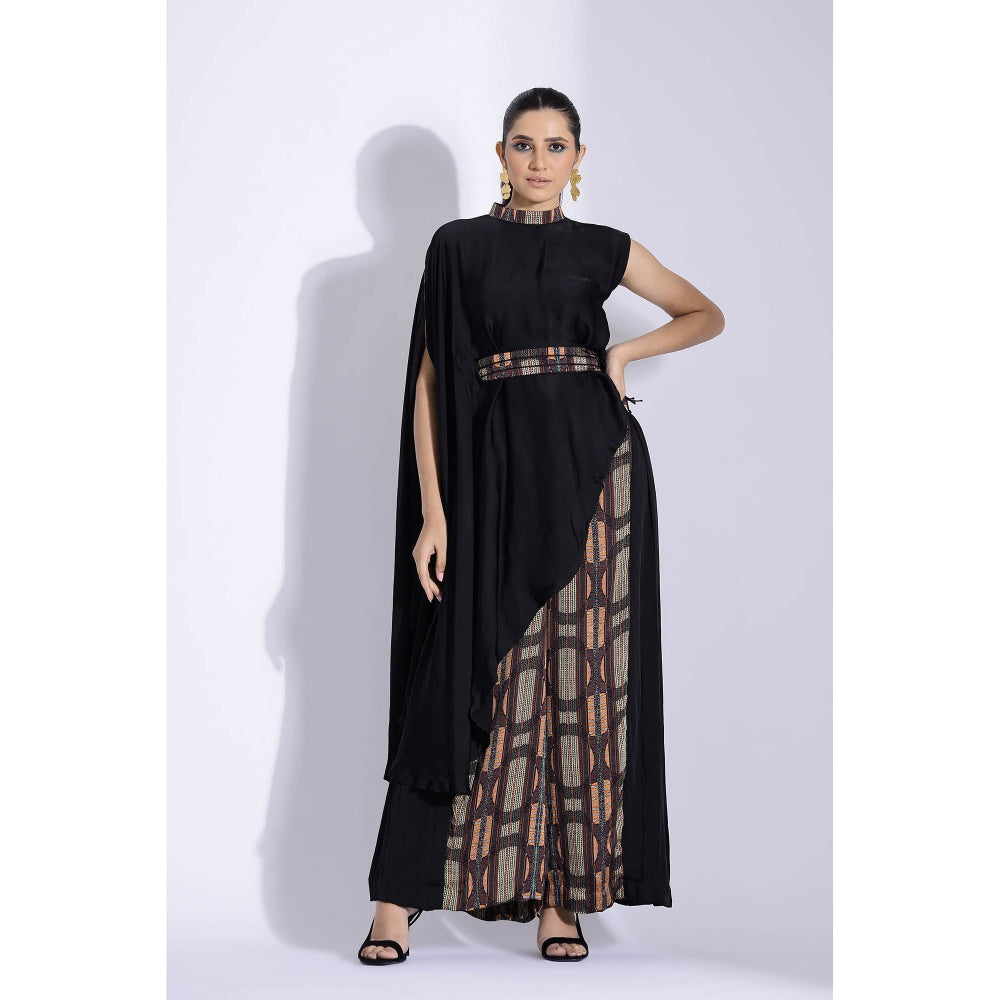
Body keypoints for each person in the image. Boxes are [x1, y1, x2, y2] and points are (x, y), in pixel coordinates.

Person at [359, 86, 725, 965]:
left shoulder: (603, 248)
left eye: (556, 146)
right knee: (459, 674)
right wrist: (435, 512)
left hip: (598, 478)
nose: (538, 161)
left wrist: (623, 352)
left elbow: (704, 313)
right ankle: (396, 900)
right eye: (523, 144)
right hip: (490, 481)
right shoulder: (457, 247)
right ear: (500, 154)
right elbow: (430, 382)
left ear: (578, 159)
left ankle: (562, 900)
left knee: (581, 683)